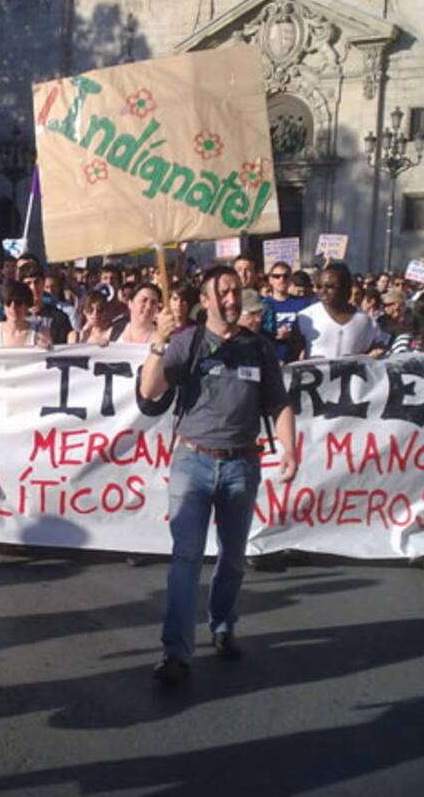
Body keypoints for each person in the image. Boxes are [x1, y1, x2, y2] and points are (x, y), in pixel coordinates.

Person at [140, 265, 297, 685]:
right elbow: (150, 390)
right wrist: (159, 342)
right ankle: (176, 652)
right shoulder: (186, 342)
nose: (231, 299)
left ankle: (223, 626)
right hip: (192, 462)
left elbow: (279, 404)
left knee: (232, 558)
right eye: (222, 292)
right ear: (205, 300)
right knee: (186, 558)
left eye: (236, 290)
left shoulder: (259, 349)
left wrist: (290, 447)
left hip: (242, 465)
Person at [295, 263, 387, 358]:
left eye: (330, 287)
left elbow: (379, 347)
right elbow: (292, 357)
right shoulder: (305, 318)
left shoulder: (365, 321)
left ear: (346, 288)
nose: (323, 291)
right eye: (319, 287)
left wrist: (374, 354)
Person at [18, 261, 73, 344]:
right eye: (28, 283)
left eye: (37, 282)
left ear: (43, 283)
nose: (33, 288)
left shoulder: (59, 318)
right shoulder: (15, 317)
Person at [0, 281, 52, 348]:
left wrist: (47, 348)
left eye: (18, 303)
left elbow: (50, 354)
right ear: (3, 306)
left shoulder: (41, 332)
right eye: (8, 303)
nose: (13, 308)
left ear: (26, 305)